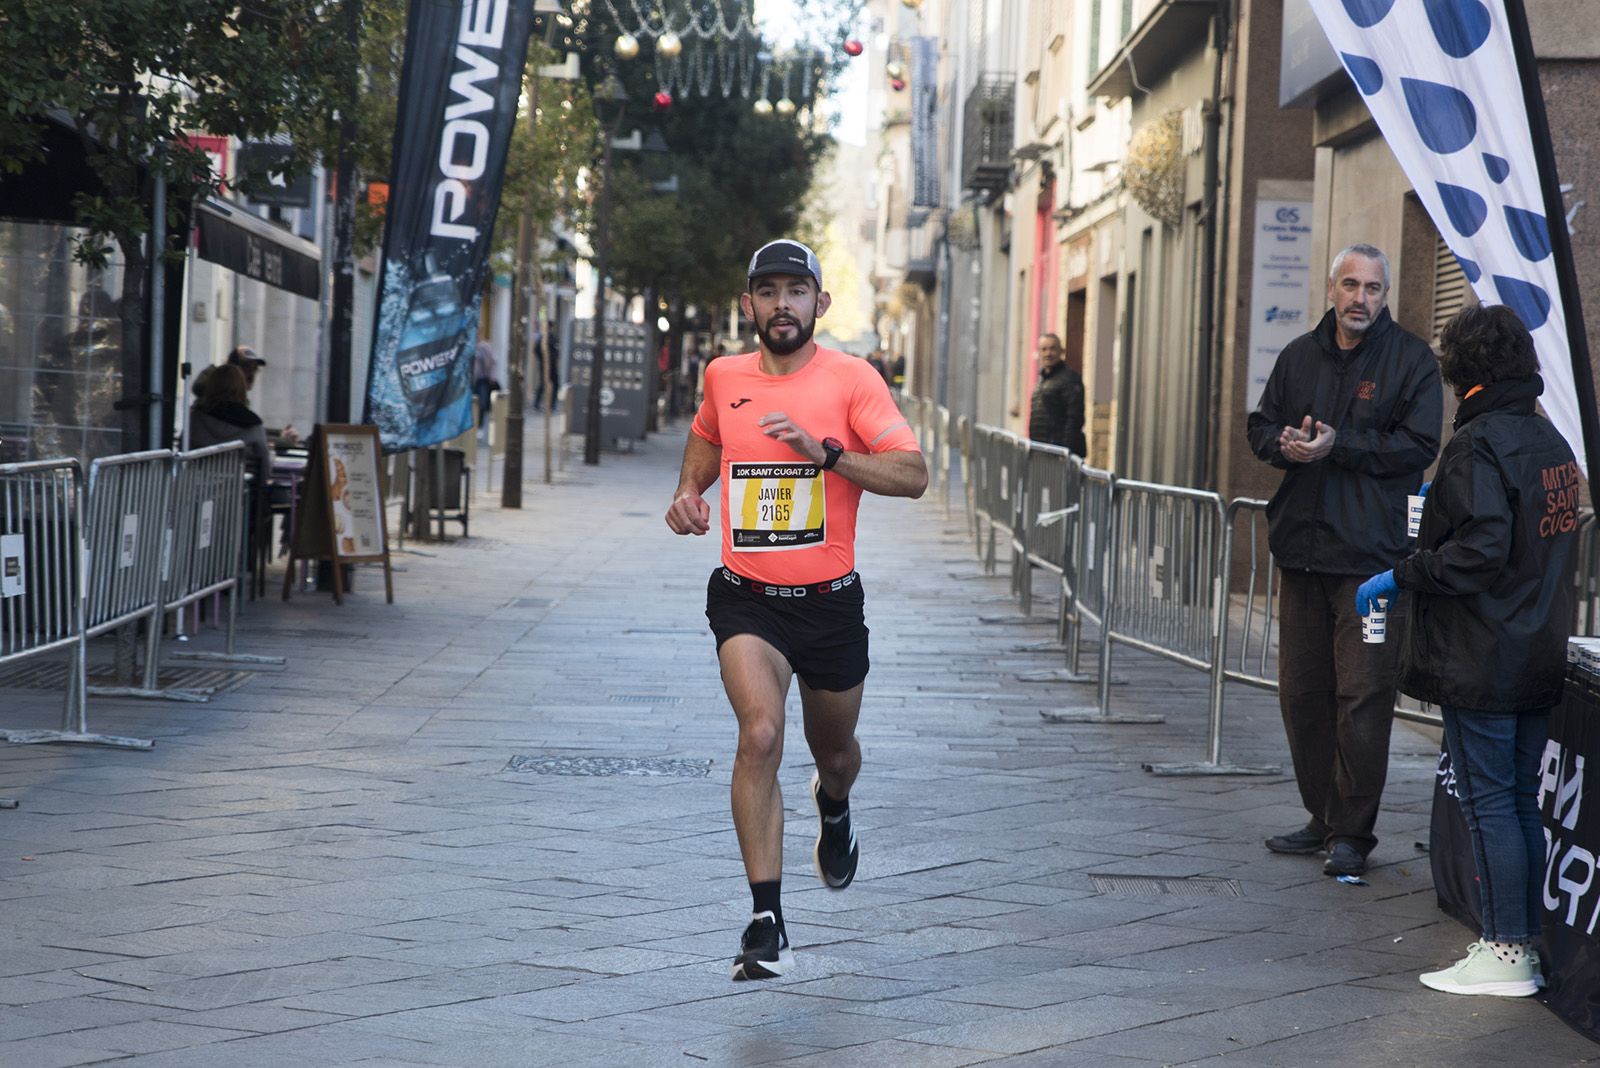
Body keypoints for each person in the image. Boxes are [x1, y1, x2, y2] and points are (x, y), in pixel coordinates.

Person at [665, 239, 928, 980]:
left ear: (821, 302)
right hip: (748, 597)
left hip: (829, 607)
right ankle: (766, 919)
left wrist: (829, 455)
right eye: (768, 291)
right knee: (759, 732)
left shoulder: (853, 379)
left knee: (834, 752)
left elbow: (913, 475)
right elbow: (709, 437)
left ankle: (834, 805)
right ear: (748, 304)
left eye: (796, 291)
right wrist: (689, 493)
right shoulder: (724, 375)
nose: (782, 304)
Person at [1356, 304, 1578, 996]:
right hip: (1534, 644)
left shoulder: (1481, 444)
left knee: (1492, 802)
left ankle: (1507, 948)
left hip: (1484, 651)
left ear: (1462, 371)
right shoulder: (1551, 443)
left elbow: (1478, 551)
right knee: (1515, 800)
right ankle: (1523, 944)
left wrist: (1401, 573)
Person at [1245, 242, 1442, 878]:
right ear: (1331, 289)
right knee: (1303, 695)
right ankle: (1321, 816)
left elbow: (1418, 445)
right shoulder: (1299, 355)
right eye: (1351, 286)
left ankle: (1353, 832)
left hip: (1370, 564)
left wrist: (1338, 445)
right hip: (1301, 553)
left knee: (1362, 695)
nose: (1361, 299)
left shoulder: (1410, 359)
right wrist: (1282, 442)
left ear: (1385, 296)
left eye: (1374, 289)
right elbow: (1258, 424)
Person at [1027, 333, 1087, 456]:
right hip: (1042, 452)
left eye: (1052, 348)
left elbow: (1074, 418)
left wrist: (1064, 452)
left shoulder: (1069, 379)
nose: (1048, 353)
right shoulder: (1043, 380)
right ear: (1039, 353)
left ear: (1061, 351)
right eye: (1044, 349)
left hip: (1058, 456)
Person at [472, 339, 499, 432]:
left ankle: (480, 426)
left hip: (482, 380)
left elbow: (492, 362)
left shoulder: (484, 347)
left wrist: (492, 377)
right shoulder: (466, 345)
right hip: (471, 381)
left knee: (482, 403)